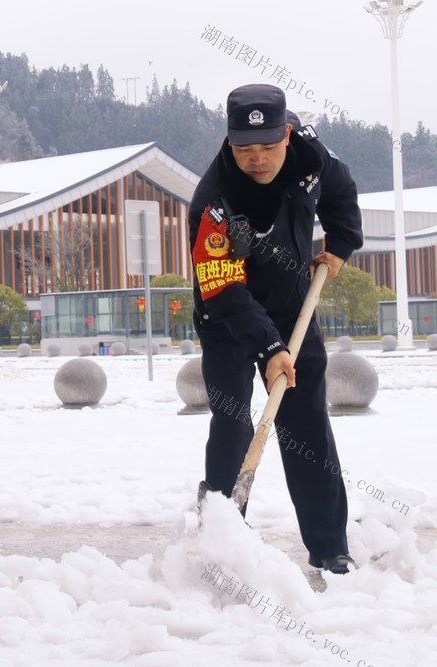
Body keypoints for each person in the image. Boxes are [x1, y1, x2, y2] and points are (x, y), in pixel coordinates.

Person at [189, 84, 363, 574]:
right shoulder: (214, 204)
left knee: (307, 424)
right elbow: (222, 290)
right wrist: (268, 350)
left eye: (268, 146)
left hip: (293, 308)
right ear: (229, 142)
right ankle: (223, 542)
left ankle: (330, 547)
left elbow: (341, 186)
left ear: (287, 133)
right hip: (228, 318)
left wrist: (342, 241)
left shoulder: (310, 152)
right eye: (245, 149)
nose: (258, 159)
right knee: (233, 423)